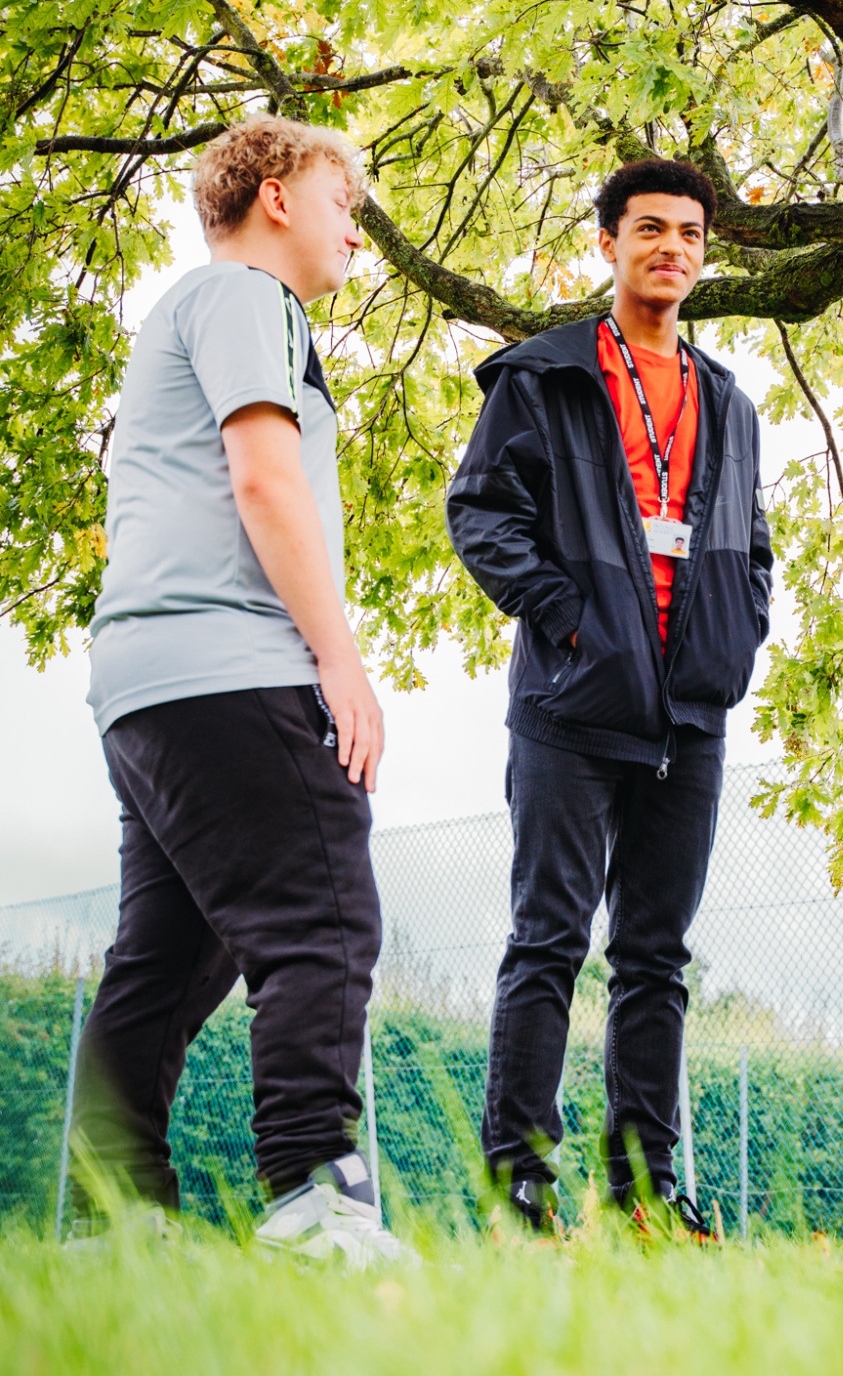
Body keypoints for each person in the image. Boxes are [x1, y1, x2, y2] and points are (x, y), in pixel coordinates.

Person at [73, 115, 405, 1264]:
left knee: (167, 959)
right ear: (273, 195)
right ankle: (315, 1196)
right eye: (342, 202)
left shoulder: (190, 312)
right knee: (324, 919)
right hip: (229, 666)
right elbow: (265, 481)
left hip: (147, 685)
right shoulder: (246, 298)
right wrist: (339, 659)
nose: (354, 230)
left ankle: (112, 1220)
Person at [447, 157, 773, 1231]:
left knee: (655, 958)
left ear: (703, 253)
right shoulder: (544, 377)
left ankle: (647, 1192)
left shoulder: (727, 402)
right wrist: (567, 615)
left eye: (689, 233)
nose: (671, 248)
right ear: (609, 244)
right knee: (547, 939)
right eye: (649, 229)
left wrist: (731, 642)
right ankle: (520, 1182)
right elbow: (480, 510)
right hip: (572, 705)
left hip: (689, 714)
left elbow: (750, 545)